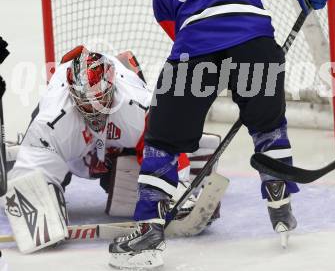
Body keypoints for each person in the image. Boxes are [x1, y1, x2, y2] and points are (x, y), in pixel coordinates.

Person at [108, 0, 333, 269]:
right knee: (268, 124)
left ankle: (148, 231)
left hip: (195, 50)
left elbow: (181, 35)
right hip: (255, 40)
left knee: (163, 141)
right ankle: (279, 196)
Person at [5, 46, 219, 254]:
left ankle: (191, 148)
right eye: (86, 103)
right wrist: (34, 199)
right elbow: (33, 167)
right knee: (43, 180)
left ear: (112, 87)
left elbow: (162, 144)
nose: (94, 110)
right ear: (72, 94)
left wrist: (177, 190)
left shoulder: (136, 104)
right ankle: (15, 157)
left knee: (126, 194)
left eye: (100, 100)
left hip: (117, 140)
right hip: (72, 147)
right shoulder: (53, 118)